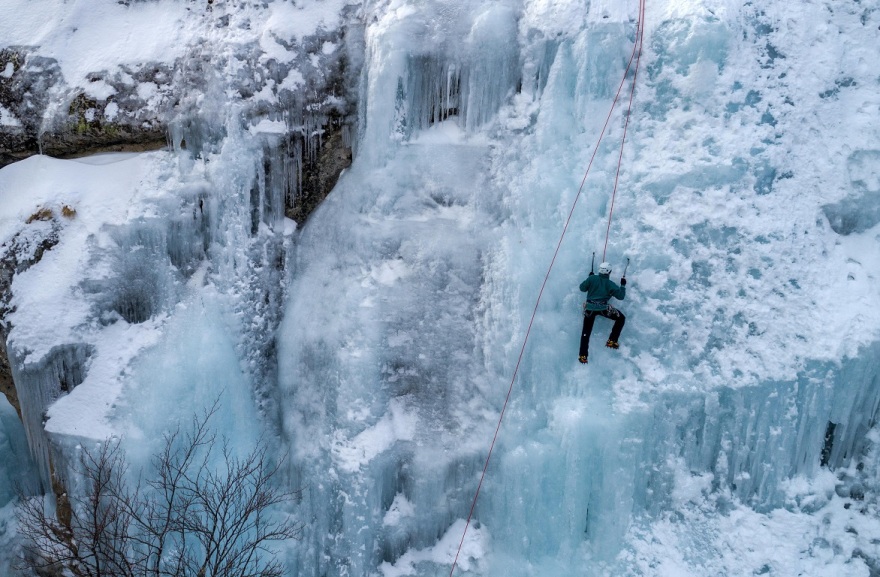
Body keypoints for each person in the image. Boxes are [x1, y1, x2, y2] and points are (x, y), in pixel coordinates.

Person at [578, 261, 626, 364]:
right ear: (609, 272)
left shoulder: (592, 279)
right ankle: (612, 340)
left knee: (586, 332)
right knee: (621, 318)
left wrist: (589, 278)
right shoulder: (610, 284)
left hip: (590, 309)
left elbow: (582, 288)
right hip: (603, 309)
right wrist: (622, 285)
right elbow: (621, 296)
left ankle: (583, 355)